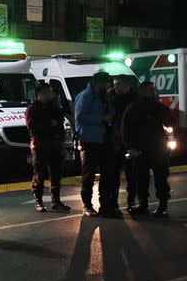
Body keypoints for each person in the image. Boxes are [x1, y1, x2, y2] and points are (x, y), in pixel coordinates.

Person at [121, 81, 175, 217]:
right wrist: (130, 147)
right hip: (144, 149)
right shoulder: (135, 108)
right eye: (150, 90)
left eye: (153, 90)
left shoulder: (153, 107)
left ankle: (159, 205)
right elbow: (125, 129)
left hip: (155, 149)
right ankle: (147, 205)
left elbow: (171, 121)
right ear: (143, 91)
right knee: (143, 178)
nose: (153, 92)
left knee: (158, 178)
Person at [74, 71, 119, 218]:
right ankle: (87, 205)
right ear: (99, 83)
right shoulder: (85, 97)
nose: (108, 87)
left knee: (107, 174)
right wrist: (101, 118)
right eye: (107, 84)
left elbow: (111, 111)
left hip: (105, 140)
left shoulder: (104, 97)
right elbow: (80, 117)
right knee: (89, 174)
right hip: (90, 140)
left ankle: (105, 205)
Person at [26, 83, 70, 213]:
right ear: (42, 93)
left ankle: (56, 201)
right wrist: (50, 124)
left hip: (55, 145)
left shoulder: (54, 108)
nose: (52, 94)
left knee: (56, 174)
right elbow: (32, 126)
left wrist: (61, 141)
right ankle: (38, 201)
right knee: (39, 174)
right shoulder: (33, 109)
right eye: (49, 92)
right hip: (40, 146)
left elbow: (60, 124)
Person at [109, 75, 139, 212]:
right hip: (116, 142)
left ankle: (131, 200)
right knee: (114, 174)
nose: (116, 87)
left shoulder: (135, 100)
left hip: (130, 142)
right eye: (114, 84)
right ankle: (113, 202)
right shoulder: (112, 99)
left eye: (119, 84)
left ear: (127, 85)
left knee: (131, 173)